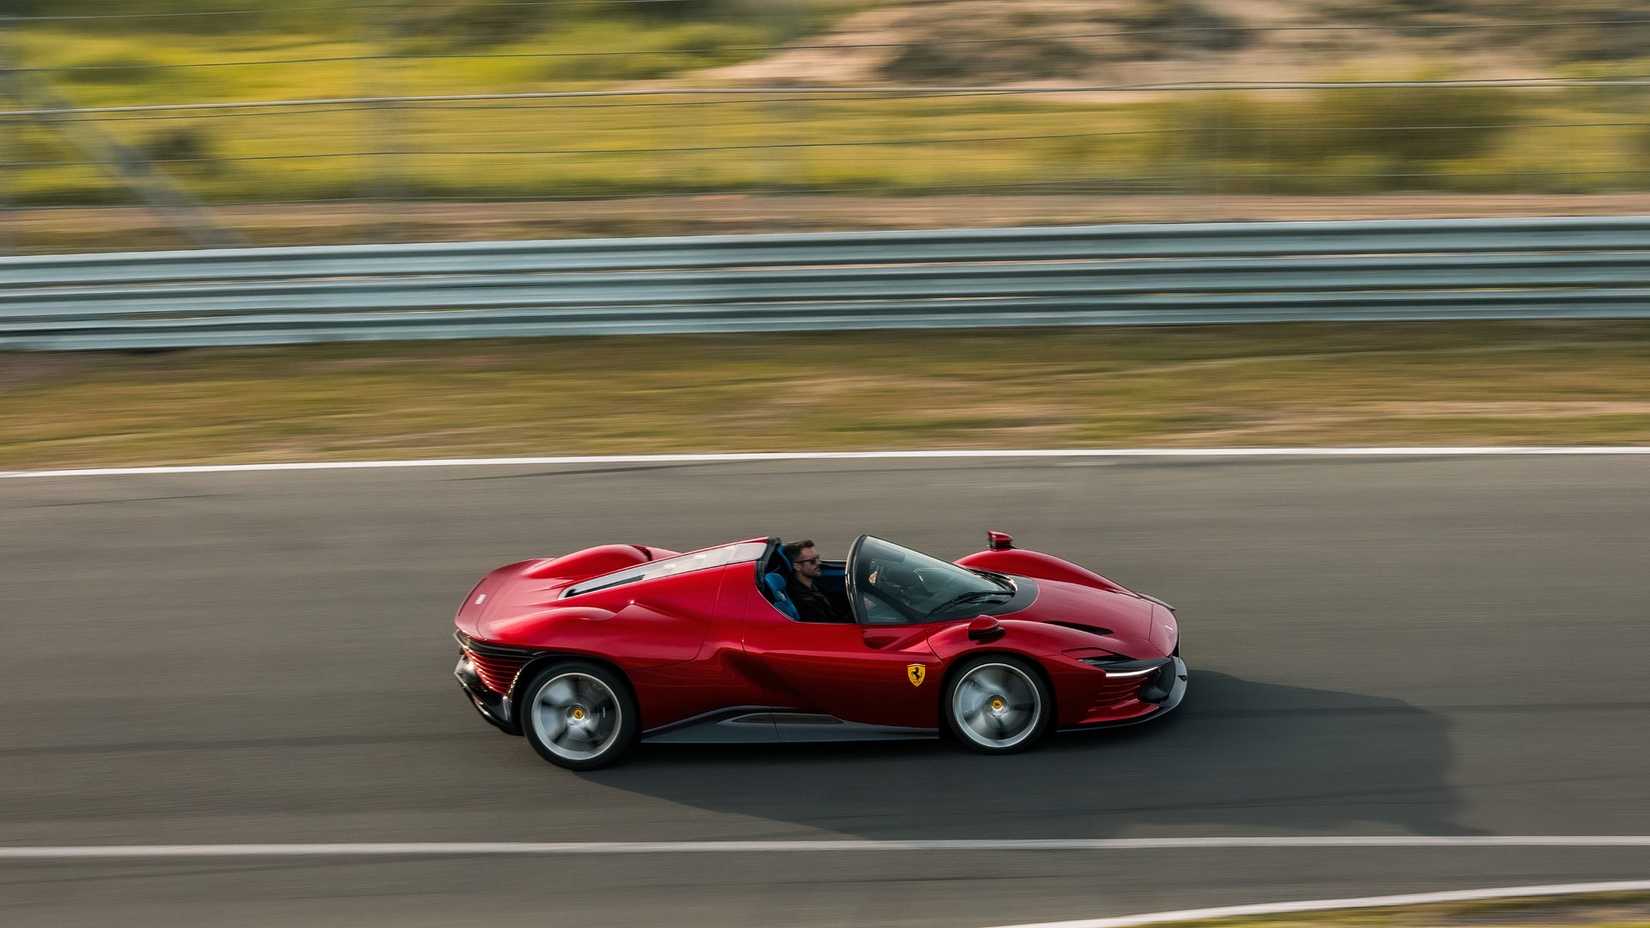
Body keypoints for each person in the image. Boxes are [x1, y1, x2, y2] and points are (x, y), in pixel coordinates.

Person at [781, 539, 846, 622]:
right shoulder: (805, 602)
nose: (818, 563)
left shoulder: (812, 584)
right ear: (797, 566)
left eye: (818, 558)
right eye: (812, 561)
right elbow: (830, 625)